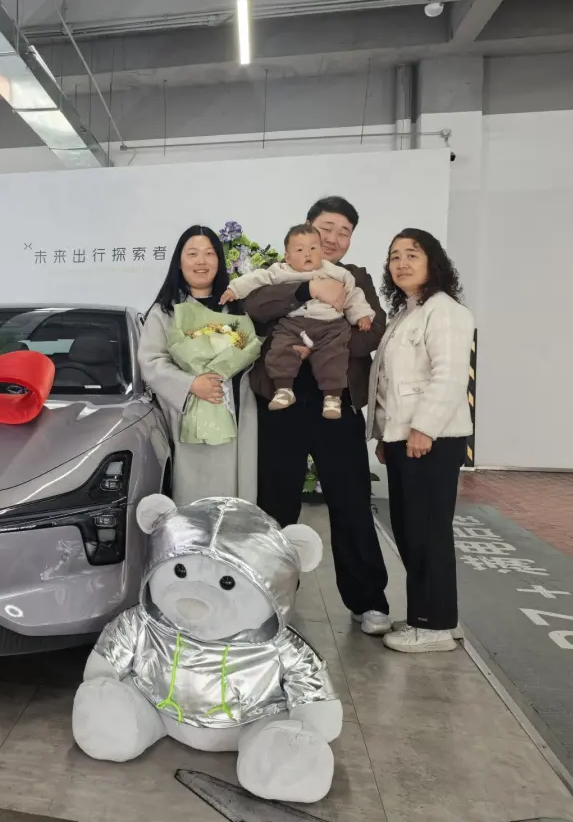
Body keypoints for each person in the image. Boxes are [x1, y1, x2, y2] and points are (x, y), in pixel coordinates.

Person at [239, 197, 392, 636]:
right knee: (275, 502)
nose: (334, 238)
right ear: (307, 228)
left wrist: (317, 345)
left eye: (345, 231)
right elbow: (254, 312)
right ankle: (268, 597)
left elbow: (372, 334)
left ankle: (369, 601)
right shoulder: (279, 271)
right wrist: (307, 292)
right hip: (280, 402)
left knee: (350, 500)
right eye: (327, 227)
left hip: (336, 401)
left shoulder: (354, 276)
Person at [370, 229, 474, 654]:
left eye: (412, 254)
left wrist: (423, 428)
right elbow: (390, 383)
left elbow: (448, 377)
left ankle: (433, 626)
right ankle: (434, 615)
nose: (402, 263)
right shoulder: (408, 313)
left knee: (427, 532)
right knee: (412, 530)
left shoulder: (445, 311)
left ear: (434, 262)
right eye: (395, 256)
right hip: (407, 438)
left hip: (432, 439)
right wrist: (385, 434)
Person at [139, 225, 258, 505]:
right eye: (192, 254)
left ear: (219, 260)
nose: (201, 261)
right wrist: (191, 384)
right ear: (179, 262)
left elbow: (251, 351)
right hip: (187, 417)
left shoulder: (238, 308)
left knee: (234, 503)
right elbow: (151, 361)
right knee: (193, 500)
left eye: (209, 253)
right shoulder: (166, 311)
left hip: (236, 415)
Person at [221, 223, 376, 419]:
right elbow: (256, 279)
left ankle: (332, 397)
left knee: (333, 355)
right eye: (300, 250)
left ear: (321, 251)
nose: (308, 254)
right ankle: (283, 389)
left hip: (331, 324)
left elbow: (353, 294)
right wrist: (234, 289)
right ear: (287, 257)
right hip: (294, 324)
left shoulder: (338, 273)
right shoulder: (280, 271)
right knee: (281, 347)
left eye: (313, 248)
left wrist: (361, 315)